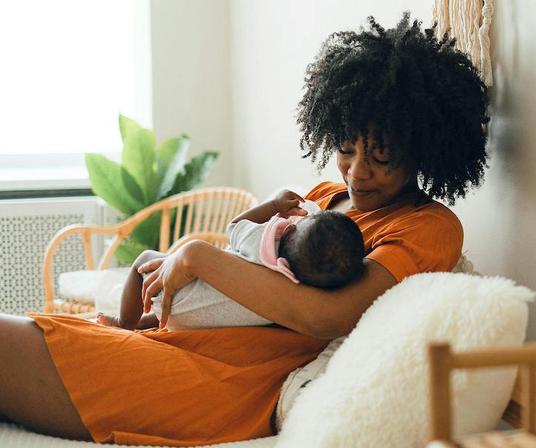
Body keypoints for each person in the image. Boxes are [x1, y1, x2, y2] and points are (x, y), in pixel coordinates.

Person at [0, 12, 489, 445]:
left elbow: (328, 317)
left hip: (225, 379)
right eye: (345, 147)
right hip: (174, 336)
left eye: (382, 157)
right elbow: (251, 249)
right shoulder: (321, 197)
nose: (357, 172)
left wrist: (195, 255)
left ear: (425, 152)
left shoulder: (428, 227)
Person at [97, 197, 365, 331]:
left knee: (144, 261)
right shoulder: (296, 283)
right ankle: (148, 322)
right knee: (204, 297)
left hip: (177, 296)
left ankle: (125, 323)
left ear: (291, 230)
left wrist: (272, 205)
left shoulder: (261, 240)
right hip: (211, 319)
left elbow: (233, 226)